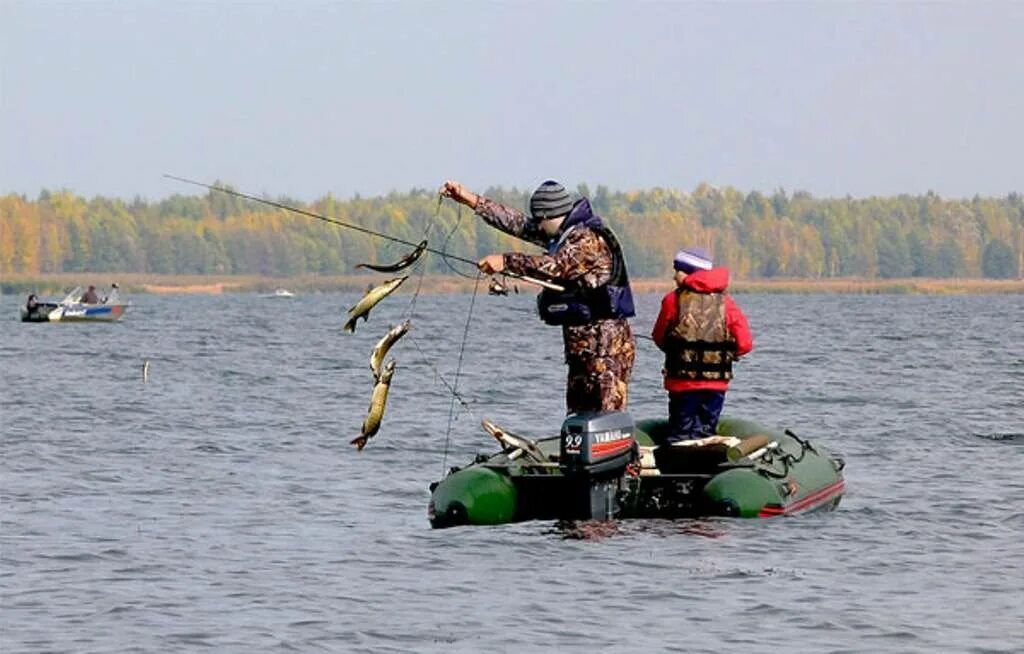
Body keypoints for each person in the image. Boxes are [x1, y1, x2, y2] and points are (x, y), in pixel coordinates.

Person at [440, 179, 636, 414]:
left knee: (606, 418)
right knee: (578, 419)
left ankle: (624, 451)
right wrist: (470, 200)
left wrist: (506, 261)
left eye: (540, 220)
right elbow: (516, 223)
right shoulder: (562, 233)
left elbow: (555, 266)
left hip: (607, 350)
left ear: (551, 215)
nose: (537, 227)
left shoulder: (588, 240)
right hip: (581, 350)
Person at [651, 246, 753, 444]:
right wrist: (729, 352)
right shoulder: (727, 303)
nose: (674, 276)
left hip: (682, 384)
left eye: (677, 270)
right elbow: (745, 343)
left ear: (689, 273)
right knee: (705, 435)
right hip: (715, 386)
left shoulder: (673, 300)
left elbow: (659, 337)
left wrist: (677, 349)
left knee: (680, 436)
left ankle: (678, 471)